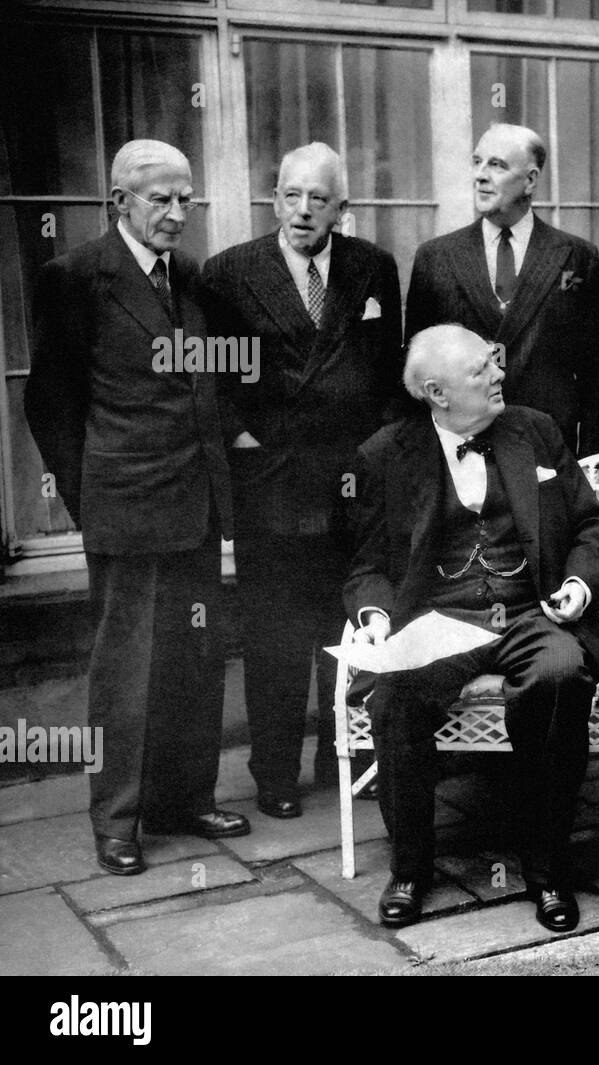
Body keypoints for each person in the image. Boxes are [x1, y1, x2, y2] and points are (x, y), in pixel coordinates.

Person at [344, 324, 599, 931]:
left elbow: (592, 526)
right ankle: (411, 869)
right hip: (439, 619)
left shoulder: (536, 431)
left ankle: (546, 869)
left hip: (531, 610)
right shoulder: (386, 454)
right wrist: (379, 619)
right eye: (480, 371)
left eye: (495, 362)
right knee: (395, 694)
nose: (498, 375)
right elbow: (367, 566)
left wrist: (577, 585)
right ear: (437, 394)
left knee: (560, 673)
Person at [25, 139, 247, 876]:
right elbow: (50, 401)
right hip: (125, 509)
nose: (178, 214)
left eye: (187, 199)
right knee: (125, 671)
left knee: (194, 656)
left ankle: (186, 798)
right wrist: (91, 501)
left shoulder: (187, 275)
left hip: (193, 504)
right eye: (162, 199)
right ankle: (116, 820)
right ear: (119, 201)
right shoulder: (75, 276)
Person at [201, 142, 403, 817]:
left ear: (341, 208)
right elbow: (211, 378)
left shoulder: (373, 268)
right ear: (274, 199)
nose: (303, 210)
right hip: (273, 479)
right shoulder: (229, 273)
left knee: (351, 622)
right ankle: (276, 773)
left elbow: (388, 377)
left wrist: (376, 454)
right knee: (276, 633)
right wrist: (242, 438)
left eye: (319, 198)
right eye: (291, 195)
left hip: (351, 479)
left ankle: (349, 756)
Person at [404, 123, 599, 456]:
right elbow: (417, 370)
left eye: (497, 165)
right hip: (462, 447)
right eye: (477, 162)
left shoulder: (576, 256)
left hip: (545, 447)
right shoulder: (436, 257)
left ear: (530, 179)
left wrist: (590, 462)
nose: (480, 175)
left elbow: (598, 374)